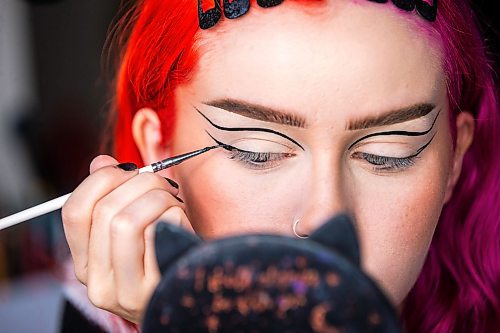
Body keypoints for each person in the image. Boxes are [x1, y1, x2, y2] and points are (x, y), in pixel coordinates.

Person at [60, 0, 499, 332]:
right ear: (159, 152)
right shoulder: (94, 315)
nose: (324, 217)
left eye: (387, 153)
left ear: (455, 157)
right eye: (257, 152)